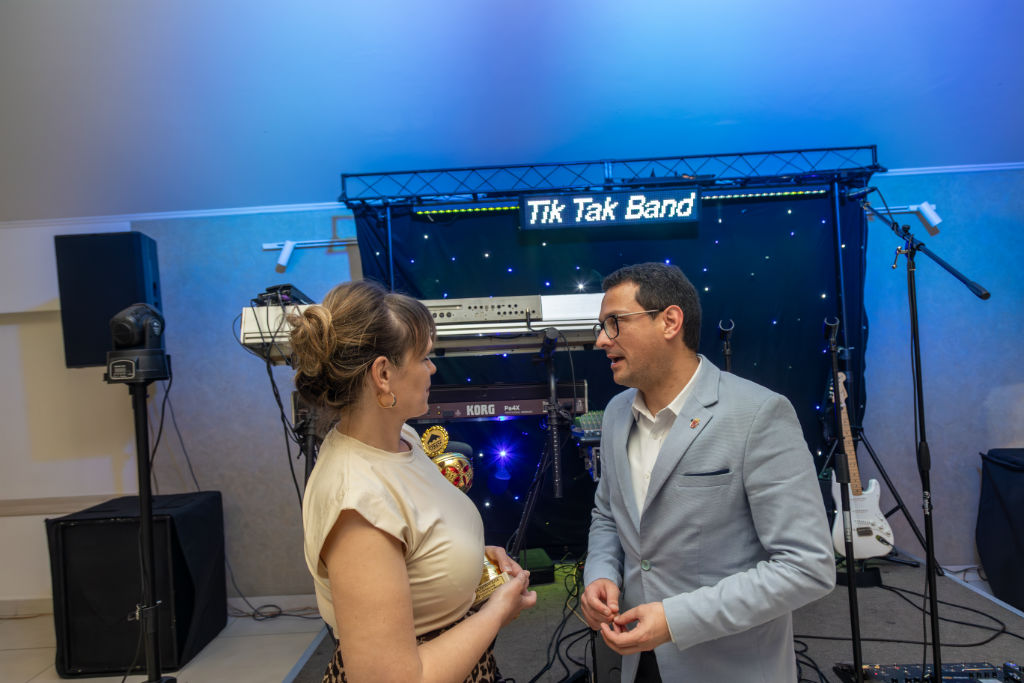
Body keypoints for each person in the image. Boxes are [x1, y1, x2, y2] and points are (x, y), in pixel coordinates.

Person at [580, 262, 836, 681]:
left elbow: (807, 567)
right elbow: (608, 513)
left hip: (730, 667)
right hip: (637, 659)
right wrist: (601, 574)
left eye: (614, 323)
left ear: (670, 321)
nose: (601, 340)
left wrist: (675, 620)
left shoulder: (759, 414)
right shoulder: (615, 414)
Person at [290, 279, 537, 683]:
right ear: (383, 374)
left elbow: (413, 539)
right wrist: (497, 611)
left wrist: (466, 557)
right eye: (424, 357)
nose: (432, 368)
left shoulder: (401, 438)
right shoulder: (358, 505)